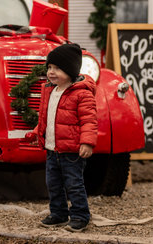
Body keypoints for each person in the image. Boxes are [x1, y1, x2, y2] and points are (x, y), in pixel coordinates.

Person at [25, 43, 98, 232]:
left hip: (71, 151)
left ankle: (81, 216)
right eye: (49, 67)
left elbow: (89, 121)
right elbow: (48, 118)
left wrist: (87, 142)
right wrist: (36, 132)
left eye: (57, 68)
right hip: (52, 149)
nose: (51, 72)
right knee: (53, 184)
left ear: (70, 69)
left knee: (74, 184)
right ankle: (58, 214)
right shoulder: (50, 91)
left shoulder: (82, 94)